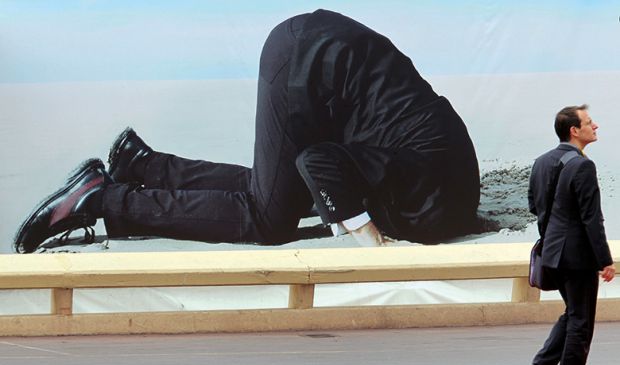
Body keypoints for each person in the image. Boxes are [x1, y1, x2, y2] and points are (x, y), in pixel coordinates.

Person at [13, 9, 480, 254]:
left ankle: (143, 165)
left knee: (280, 193)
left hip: (329, 58)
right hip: (310, 63)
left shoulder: (440, 183)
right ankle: (100, 198)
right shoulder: (424, 198)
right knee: (269, 218)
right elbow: (316, 162)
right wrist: (371, 239)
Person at [524, 105, 615, 365]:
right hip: (577, 256)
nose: (596, 126)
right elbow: (592, 218)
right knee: (581, 321)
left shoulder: (540, 162)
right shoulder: (583, 166)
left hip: (552, 253)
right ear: (574, 130)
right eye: (590, 123)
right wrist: (605, 259)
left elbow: (535, 207)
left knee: (574, 314)